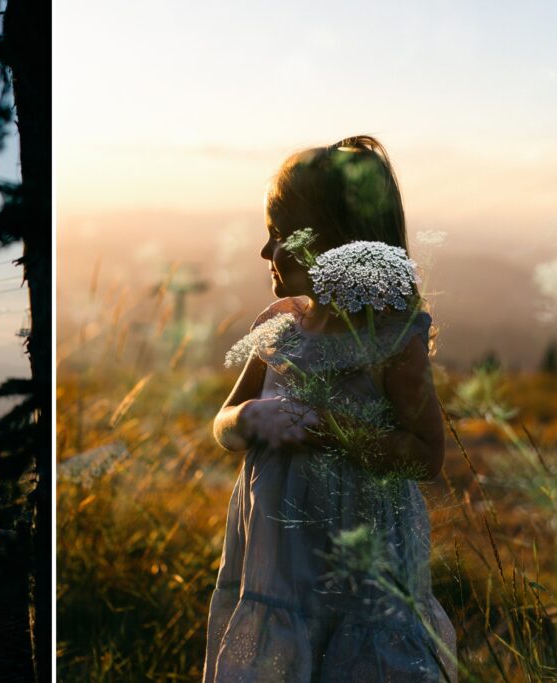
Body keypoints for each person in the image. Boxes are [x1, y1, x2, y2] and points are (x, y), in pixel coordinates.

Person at [202, 136, 458, 682]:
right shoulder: (279, 326)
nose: (265, 253)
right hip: (277, 570)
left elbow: (426, 456)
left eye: (280, 237)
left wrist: (332, 430)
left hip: (362, 572)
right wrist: (251, 419)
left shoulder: (389, 339)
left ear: (340, 244)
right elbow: (222, 424)